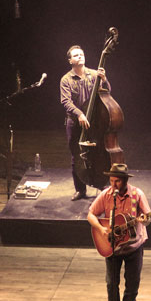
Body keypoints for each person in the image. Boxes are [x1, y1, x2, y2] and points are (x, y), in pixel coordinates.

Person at [86, 163, 151, 301]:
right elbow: (91, 214)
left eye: (117, 182)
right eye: (111, 181)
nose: (113, 185)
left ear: (125, 181)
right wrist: (101, 229)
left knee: (132, 283)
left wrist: (144, 219)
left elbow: (148, 216)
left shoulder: (138, 194)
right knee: (111, 283)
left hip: (133, 247)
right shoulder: (106, 195)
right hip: (113, 247)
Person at [60, 44, 109, 200]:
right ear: (70, 61)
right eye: (75, 55)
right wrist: (80, 114)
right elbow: (65, 101)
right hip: (74, 122)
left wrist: (105, 80)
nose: (80, 56)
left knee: (99, 153)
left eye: (81, 54)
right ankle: (80, 190)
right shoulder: (66, 79)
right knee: (77, 156)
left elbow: (107, 93)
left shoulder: (94, 74)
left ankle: (101, 185)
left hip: (94, 122)